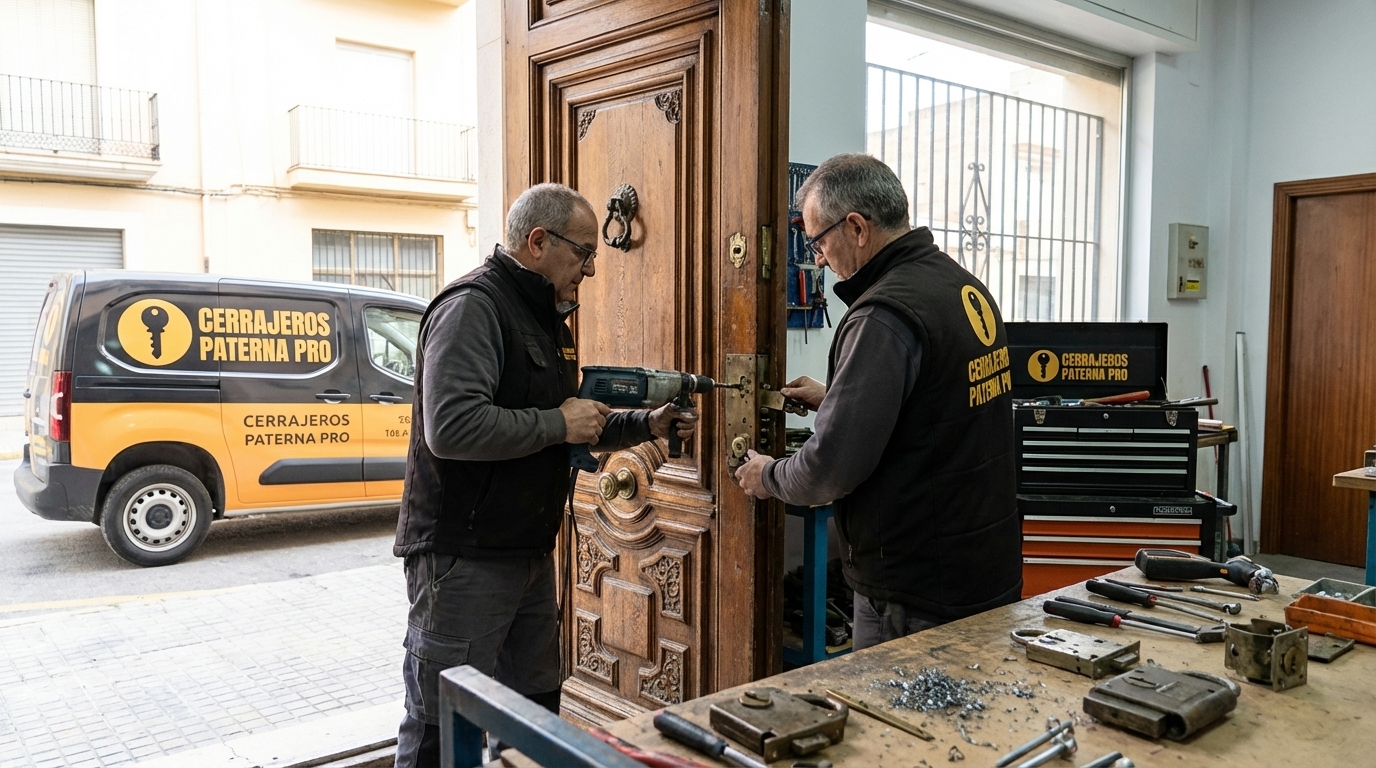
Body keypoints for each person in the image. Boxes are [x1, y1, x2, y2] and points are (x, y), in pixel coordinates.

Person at [392, 183, 696, 767]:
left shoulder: (546, 318)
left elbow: (572, 422)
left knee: (533, 714)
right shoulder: (472, 309)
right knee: (441, 726)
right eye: (584, 252)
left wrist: (647, 423)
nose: (590, 267)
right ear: (538, 242)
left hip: (526, 551)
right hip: (465, 558)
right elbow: (451, 428)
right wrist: (558, 424)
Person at [734, 153, 1020, 650]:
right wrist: (837, 401)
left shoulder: (882, 315)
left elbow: (829, 469)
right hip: (983, 564)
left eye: (819, 241)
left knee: (898, 725)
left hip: (915, 593)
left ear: (858, 228)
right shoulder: (960, 286)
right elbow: (937, 409)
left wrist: (768, 476)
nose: (818, 259)